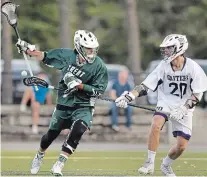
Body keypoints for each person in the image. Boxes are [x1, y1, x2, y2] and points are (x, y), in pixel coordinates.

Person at [16, 30, 108, 176]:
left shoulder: (99, 66)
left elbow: (99, 90)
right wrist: (28, 50)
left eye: (93, 48)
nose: (91, 52)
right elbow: (44, 56)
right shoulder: (66, 55)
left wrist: (79, 86)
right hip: (64, 104)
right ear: (78, 47)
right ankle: (40, 154)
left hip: (84, 105)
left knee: (78, 130)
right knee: (50, 136)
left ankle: (59, 164)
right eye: (88, 48)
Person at [115, 34, 207, 176]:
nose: (166, 52)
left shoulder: (193, 68)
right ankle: (149, 163)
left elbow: (198, 94)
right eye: (165, 49)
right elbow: (146, 86)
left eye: (169, 49)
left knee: (181, 147)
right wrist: (129, 96)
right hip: (165, 102)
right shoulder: (163, 66)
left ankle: (166, 165)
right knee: (156, 124)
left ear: (180, 48)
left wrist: (184, 108)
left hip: (184, 108)